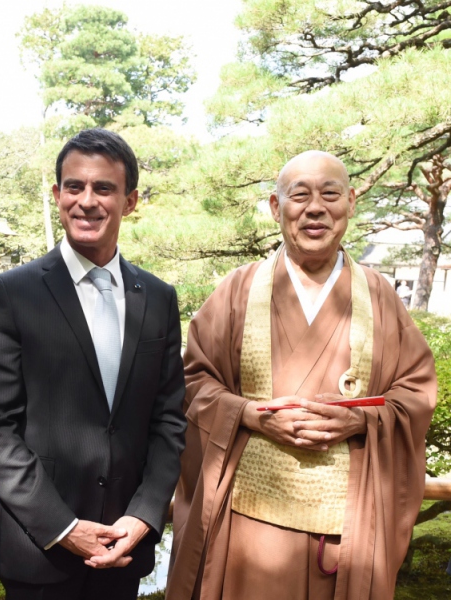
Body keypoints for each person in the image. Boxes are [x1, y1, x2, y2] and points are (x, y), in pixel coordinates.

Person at [166, 151, 437, 600]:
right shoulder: (237, 289)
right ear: (277, 207)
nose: (316, 208)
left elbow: (415, 392)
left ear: (350, 202)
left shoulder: (380, 297)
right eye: (300, 195)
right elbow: (192, 383)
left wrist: (361, 420)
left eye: (330, 194)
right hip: (248, 526)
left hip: (345, 524)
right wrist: (250, 414)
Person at [0, 128, 187, 599]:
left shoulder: (157, 298)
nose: (86, 201)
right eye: (74, 187)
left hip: (123, 545)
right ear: (57, 193)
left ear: (130, 201)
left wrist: (145, 514)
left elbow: (169, 420)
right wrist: (62, 526)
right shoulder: (13, 293)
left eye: (103, 188)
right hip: (38, 547)